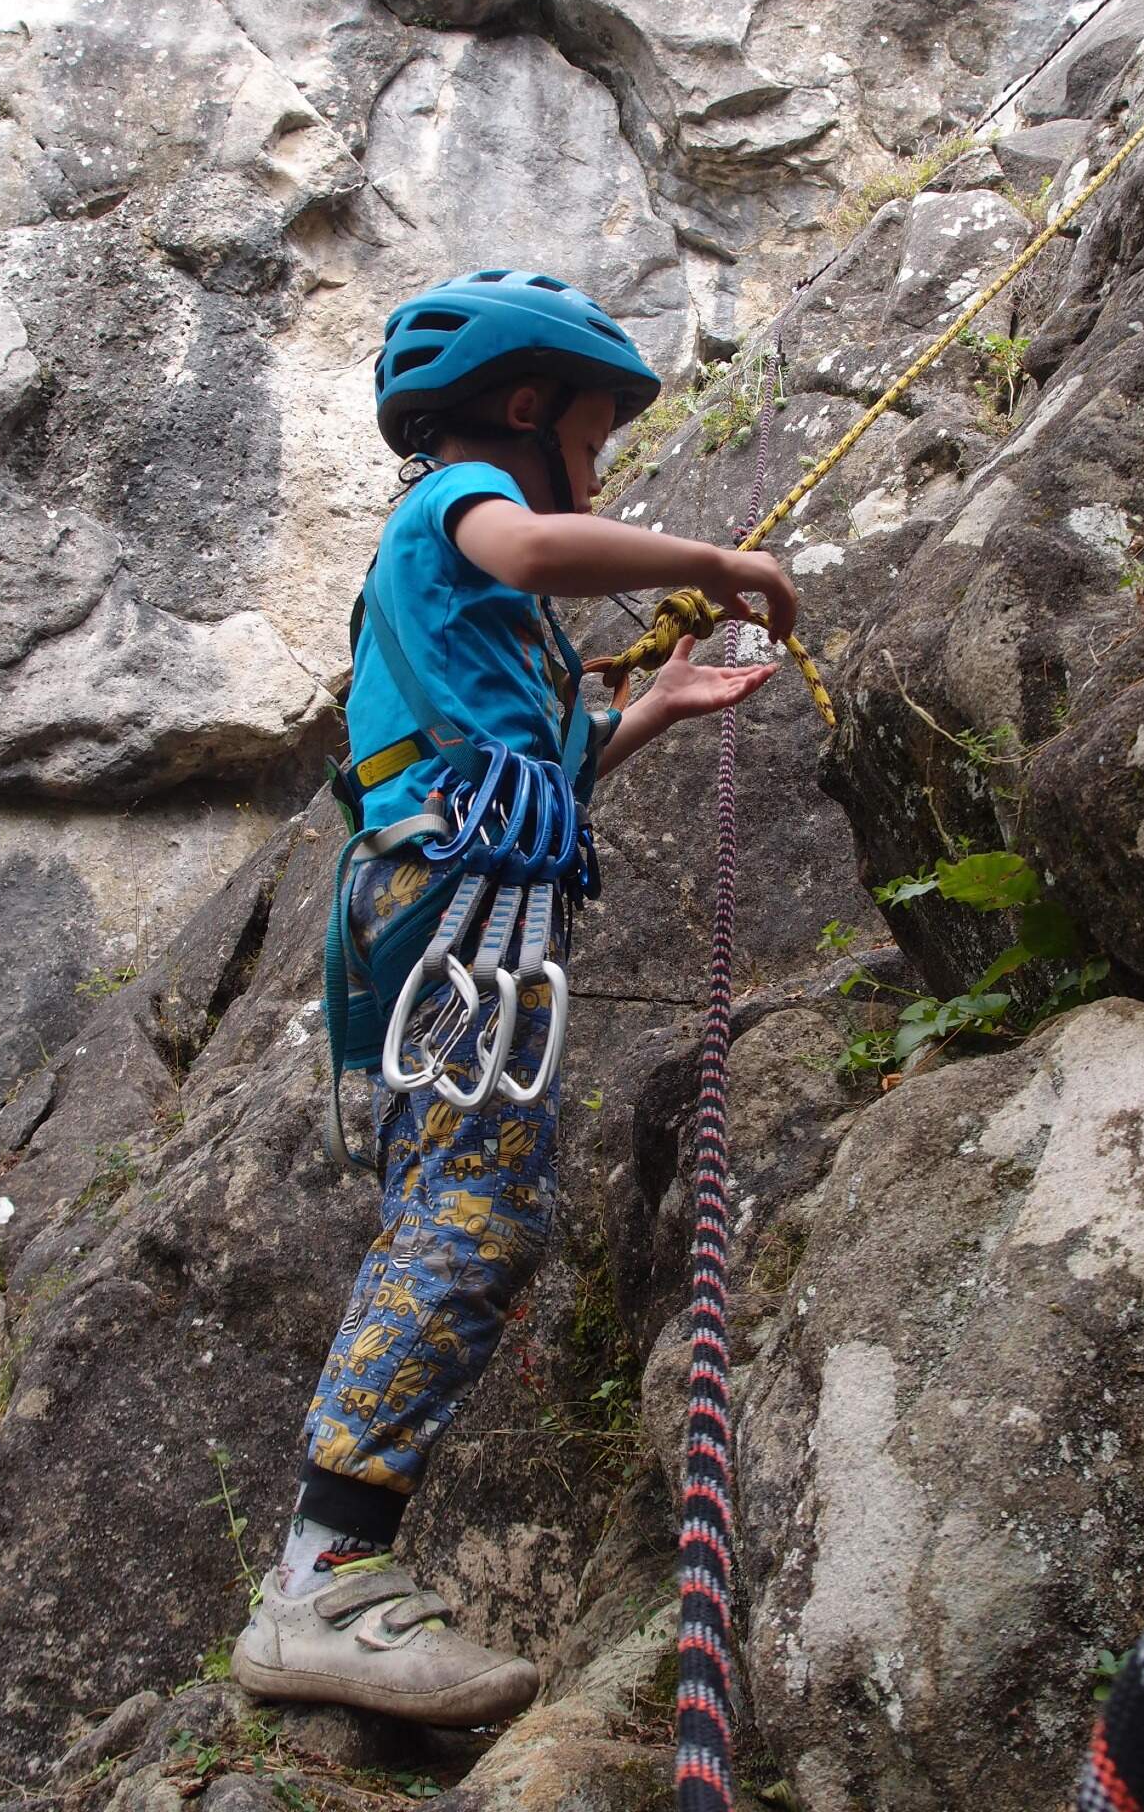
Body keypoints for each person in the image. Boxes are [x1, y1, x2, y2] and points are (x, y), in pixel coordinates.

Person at [233, 269, 797, 1726]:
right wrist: (715, 562)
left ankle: (331, 1569)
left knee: (474, 1207)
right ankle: (321, 1581)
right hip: (452, 911)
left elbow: (520, 768)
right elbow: (542, 542)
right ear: (528, 409)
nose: (603, 469)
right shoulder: (459, 504)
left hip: (454, 906)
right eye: (599, 434)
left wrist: (650, 712)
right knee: (473, 1212)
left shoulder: (480, 611)